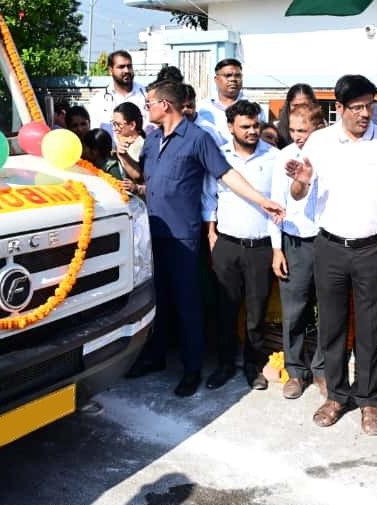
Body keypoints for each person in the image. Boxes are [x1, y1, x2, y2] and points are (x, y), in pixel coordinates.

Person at [120, 81, 284, 398]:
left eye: (149, 102)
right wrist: (124, 160)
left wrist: (261, 200)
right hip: (154, 234)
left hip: (184, 237)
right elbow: (145, 179)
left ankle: (192, 369)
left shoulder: (198, 139)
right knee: (159, 301)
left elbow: (226, 174)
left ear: (165, 105)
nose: (146, 108)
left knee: (187, 305)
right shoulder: (152, 139)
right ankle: (155, 357)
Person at [285, 74, 377, 437]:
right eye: (356, 107)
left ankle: (369, 400)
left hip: (373, 247)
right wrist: (301, 180)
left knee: (371, 327)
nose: (365, 114)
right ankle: (337, 395)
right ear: (338, 108)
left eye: (369, 106)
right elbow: (297, 194)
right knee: (332, 325)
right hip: (329, 247)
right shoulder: (320, 142)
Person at [203, 100, 280, 391]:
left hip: (261, 247)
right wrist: (211, 234)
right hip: (227, 245)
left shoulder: (273, 157)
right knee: (226, 309)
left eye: (255, 125)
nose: (252, 131)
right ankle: (225, 364)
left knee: (256, 312)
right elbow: (209, 197)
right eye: (245, 126)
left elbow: (278, 206)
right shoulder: (220, 157)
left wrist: (276, 248)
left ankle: (252, 365)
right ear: (230, 127)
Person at [270, 103, 327, 400]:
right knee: (294, 311)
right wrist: (277, 249)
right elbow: (275, 205)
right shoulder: (284, 156)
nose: (297, 136)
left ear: (318, 127)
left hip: (328, 241)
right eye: (292, 130)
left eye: (303, 130)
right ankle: (295, 371)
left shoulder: (332, 155)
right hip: (294, 242)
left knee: (328, 310)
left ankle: (322, 369)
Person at [197, 58, 267, 146]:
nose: (233, 79)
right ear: (216, 79)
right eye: (228, 75)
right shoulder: (202, 108)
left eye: (237, 76)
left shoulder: (254, 108)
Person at [88, 50, 148, 136]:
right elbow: (94, 131)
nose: (126, 70)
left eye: (129, 66)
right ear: (110, 70)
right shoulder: (98, 100)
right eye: (121, 67)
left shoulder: (146, 95)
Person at [276, 83, 317, 148]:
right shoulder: (276, 129)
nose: (300, 109)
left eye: (304, 105)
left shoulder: (322, 128)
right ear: (288, 105)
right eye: (295, 105)